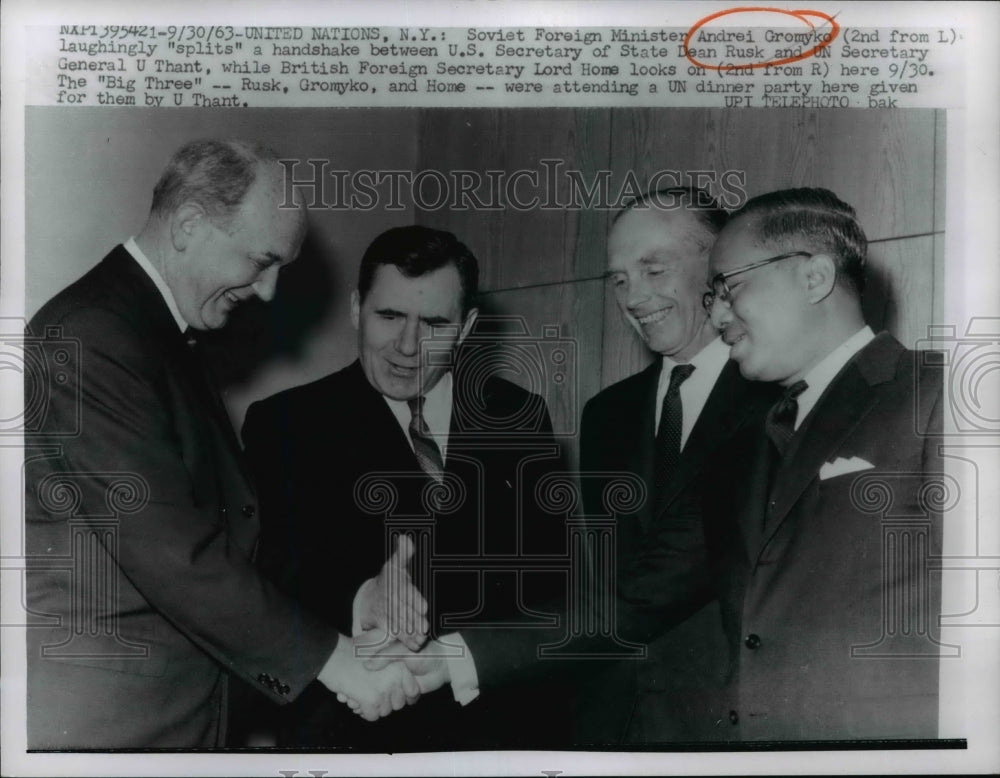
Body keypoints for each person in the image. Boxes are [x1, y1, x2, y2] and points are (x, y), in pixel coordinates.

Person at [24, 140, 418, 749]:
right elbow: (174, 552)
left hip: (166, 716)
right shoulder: (93, 335)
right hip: (113, 727)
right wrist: (335, 661)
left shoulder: (156, 331)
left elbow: (231, 529)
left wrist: (354, 598)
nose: (267, 292)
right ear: (189, 224)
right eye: (262, 261)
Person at [365, 189, 777, 745]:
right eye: (619, 279)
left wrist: (463, 655)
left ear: (719, 265)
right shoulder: (608, 413)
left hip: (736, 725)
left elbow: (661, 579)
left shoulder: (775, 401)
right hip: (612, 722)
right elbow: (597, 581)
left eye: (654, 269)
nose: (633, 297)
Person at [240, 225, 566, 750]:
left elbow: (553, 579)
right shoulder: (284, 422)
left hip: (495, 733)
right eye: (389, 316)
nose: (408, 347)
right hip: (351, 735)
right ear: (356, 309)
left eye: (434, 323)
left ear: (466, 328)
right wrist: (361, 596)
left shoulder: (519, 416)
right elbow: (265, 572)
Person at [702, 187, 943, 739]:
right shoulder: (741, 447)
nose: (716, 315)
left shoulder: (936, 392)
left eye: (728, 286)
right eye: (709, 296)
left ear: (815, 277)